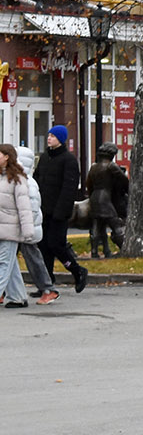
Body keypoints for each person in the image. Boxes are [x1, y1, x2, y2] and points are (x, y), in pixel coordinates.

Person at [34, 124, 87, 293]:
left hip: (58, 212)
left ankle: (77, 270)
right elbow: (36, 180)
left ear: (61, 140)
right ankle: (46, 284)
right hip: (43, 210)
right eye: (49, 135)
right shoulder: (44, 157)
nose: (49, 138)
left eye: (53, 136)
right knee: (43, 247)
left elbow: (68, 189)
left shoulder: (68, 160)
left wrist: (60, 211)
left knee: (56, 245)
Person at [15, 145, 59, 304]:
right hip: (21, 227)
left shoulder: (26, 182)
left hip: (26, 228)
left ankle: (48, 288)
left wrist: (27, 228)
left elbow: (32, 208)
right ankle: (8, 290)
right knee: (10, 260)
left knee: (33, 259)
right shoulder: (23, 180)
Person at [0, 143, 36, 308]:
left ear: (7, 157)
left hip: (11, 228)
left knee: (4, 263)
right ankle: (18, 297)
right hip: (2, 227)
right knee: (10, 264)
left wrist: (28, 231)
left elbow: (24, 207)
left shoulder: (18, 179)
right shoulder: (1, 177)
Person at [84, 142, 129, 259]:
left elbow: (89, 184)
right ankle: (124, 248)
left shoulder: (93, 167)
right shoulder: (111, 166)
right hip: (105, 198)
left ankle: (95, 252)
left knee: (97, 225)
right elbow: (124, 180)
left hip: (94, 197)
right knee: (115, 223)